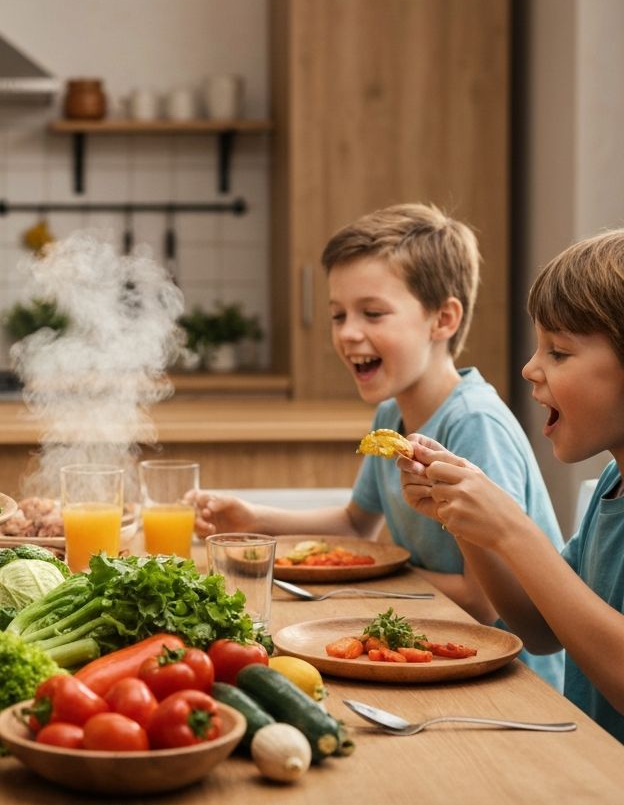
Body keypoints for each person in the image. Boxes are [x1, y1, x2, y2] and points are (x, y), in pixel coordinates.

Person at [192, 203, 565, 689]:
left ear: (443, 319)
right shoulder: (393, 412)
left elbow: (481, 601)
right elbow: (356, 522)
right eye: (337, 314)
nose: (348, 332)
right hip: (430, 650)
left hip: (508, 677)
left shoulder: (473, 422)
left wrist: (367, 581)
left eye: (372, 313)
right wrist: (255, 518)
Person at [398, 229, 624, 741]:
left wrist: (514, 532)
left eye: (559, 353)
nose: (530, 369)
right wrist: (465, 519)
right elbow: (539, 629)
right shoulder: (614, 482)